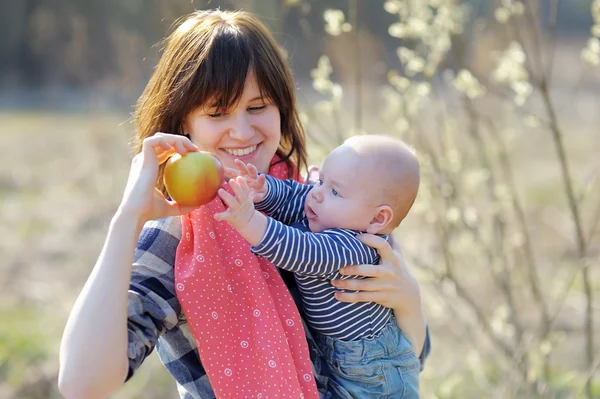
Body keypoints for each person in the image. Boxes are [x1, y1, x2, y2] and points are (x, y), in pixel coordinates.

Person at [58, 9, 430, 399]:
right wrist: (127, 220)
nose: (241, 130)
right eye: (217, 112)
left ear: (281, 108)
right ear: (186, 122)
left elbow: (409, 360)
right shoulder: (178, 236)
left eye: (257, 107)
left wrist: (409, 300)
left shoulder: (324, 201)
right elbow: (82, 384)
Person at [215, 135, 421, 398]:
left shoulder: (354, 247)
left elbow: (300, 249)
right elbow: (297, 196)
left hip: (374, 371)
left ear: (378, 218)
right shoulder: (327, 211)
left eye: (335, 191)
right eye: (321, 181)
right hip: (344, 357)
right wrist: (265, 191)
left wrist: (248, 220)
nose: (317, 193)